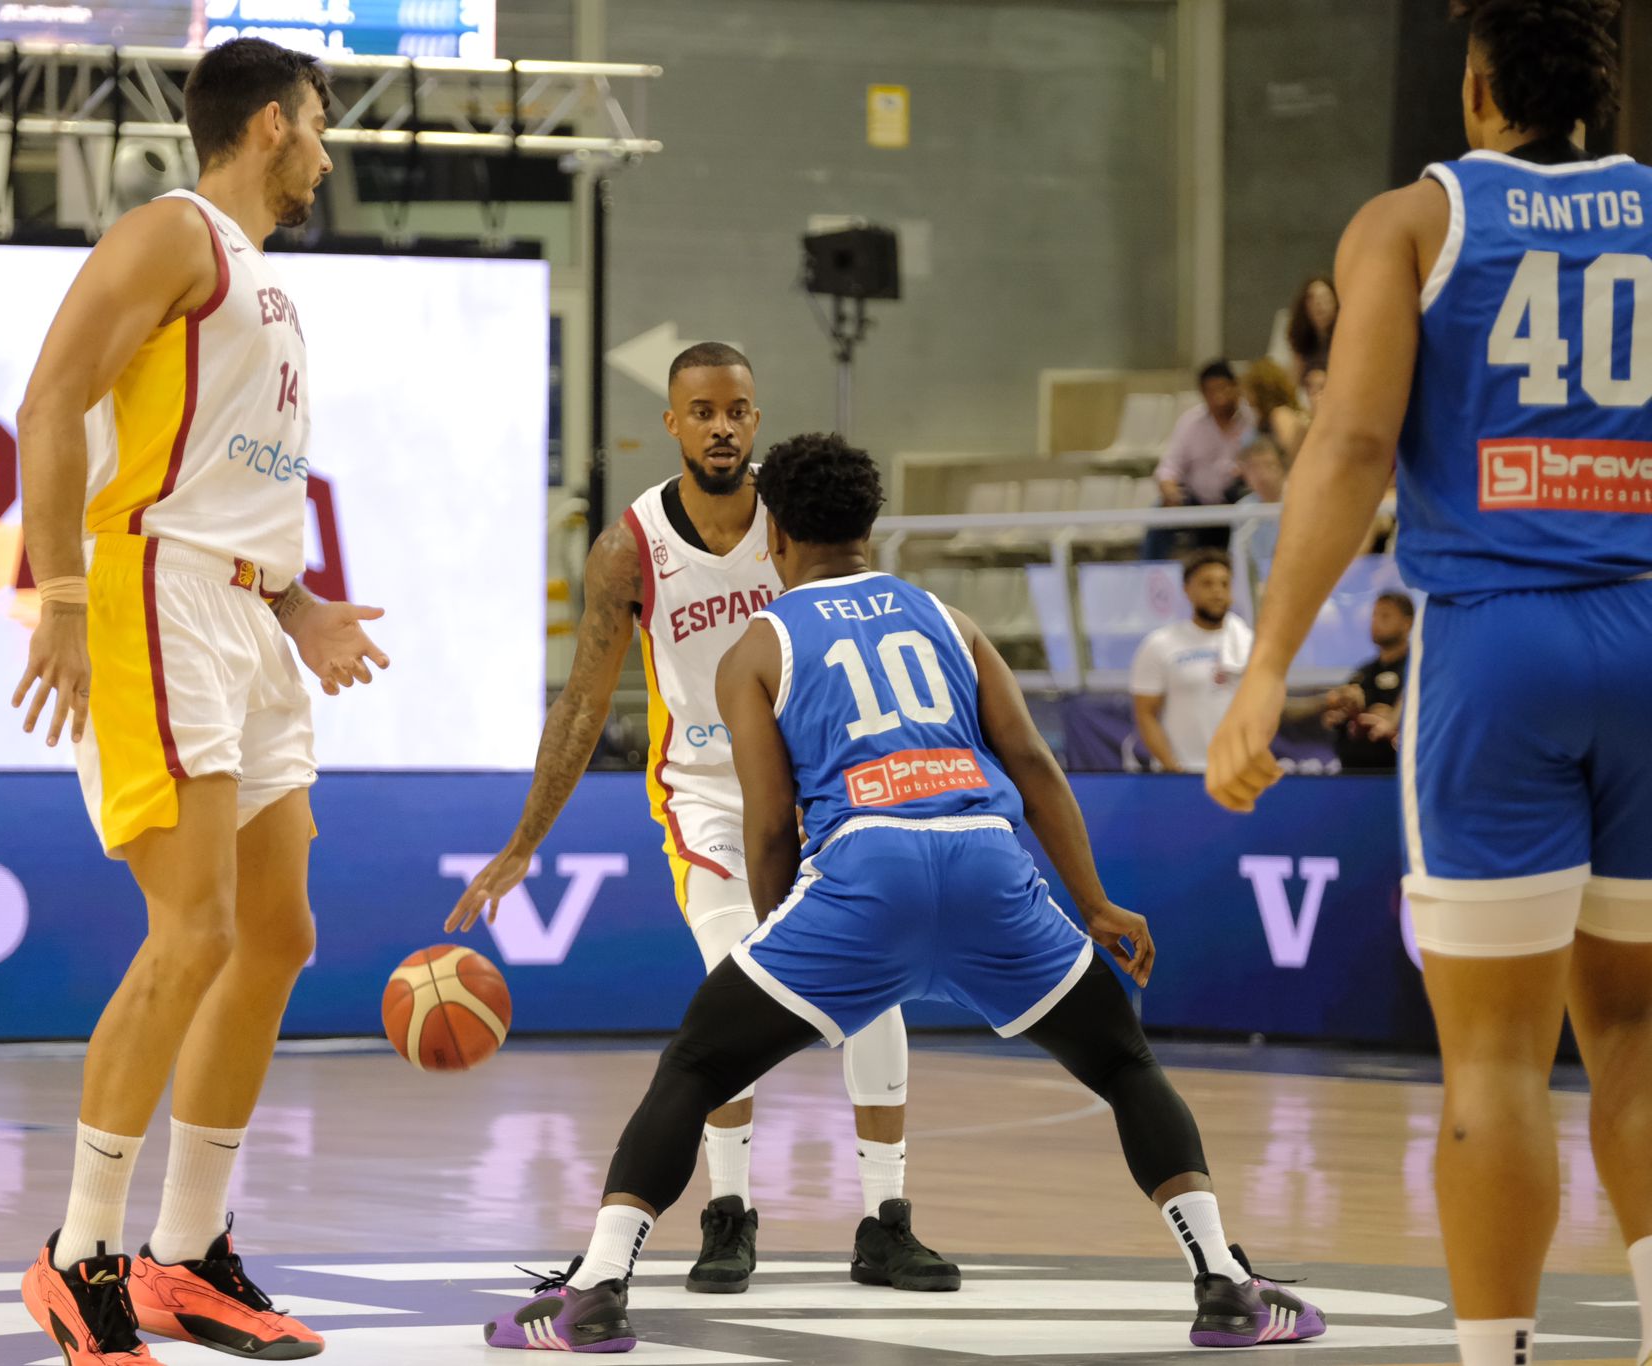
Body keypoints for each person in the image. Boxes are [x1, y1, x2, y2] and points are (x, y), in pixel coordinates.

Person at [479, 434, 1325, 1353]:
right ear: (872, 528)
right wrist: (1094, 903)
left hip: (865, 877)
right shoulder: (949, 619)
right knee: (1124, 1065)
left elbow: (771, 824)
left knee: (696, 1065)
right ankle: (1225, 1283)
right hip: (988, 865)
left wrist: (782, 939)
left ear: (775, 533)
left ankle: (597, 1291)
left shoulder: (758, 645)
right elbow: (1034, 764)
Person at [1206, 6, 1652, 1365]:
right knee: (1638, 1036)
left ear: (1473, 90)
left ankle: (1496, 1352)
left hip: (1495, 644)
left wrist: (1266, 665)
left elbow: (1349, 446)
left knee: (1497, 1063)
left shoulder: (1411, 221)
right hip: (1646, 625)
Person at [11, 38, 388, 1365]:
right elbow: (49, 399)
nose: (328, 156)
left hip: (244, 610)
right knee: (194, 928)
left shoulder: (264, 283)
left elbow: (229, 486)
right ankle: (79, 1255)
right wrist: (61, 594)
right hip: (152, 596)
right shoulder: (174, 234)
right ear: (273, 123)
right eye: (321, 127)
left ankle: (184, 1252)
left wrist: (298, 601)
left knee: (274, 933)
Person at [447, 344, 957, 1295]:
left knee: (875, 986)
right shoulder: (628, 549)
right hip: (708, 794)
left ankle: (886, 1221)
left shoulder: (796, 524)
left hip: (817, 786)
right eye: (703, 411)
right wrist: (524, 842)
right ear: (673, 423)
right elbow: (582, 702)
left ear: (756, 418)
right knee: (734, 983)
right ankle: (728, 1213)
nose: (722, 426)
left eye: (738, 410)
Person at [1130, 551, 1251, 774]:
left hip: (1239, 773)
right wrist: (1173, 768)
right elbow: (1145, 714)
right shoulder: (1160, 644)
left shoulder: (1249, 643)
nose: (1217, 591)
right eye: (1207, 583)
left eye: (1224, 584)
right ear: (1187, 589)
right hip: (1184, 775)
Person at [1144, 360, 1255, 560]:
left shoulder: (1251, 420)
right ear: (1203, 393)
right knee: (1159, 513)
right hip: (1197, 500)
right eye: (1211, 391)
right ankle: (1150, 572)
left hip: (1236, 499)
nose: (1219, 397)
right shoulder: (1190, 422)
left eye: (1223, 388)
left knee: (1252, 508)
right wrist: (1169, 489)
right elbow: (1169, 466)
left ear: (1235, 387)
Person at [1323, 592, 1411, 773]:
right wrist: (1341, 714)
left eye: (1385, 615)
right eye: (1374, 615)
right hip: (1353, 773)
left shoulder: (1418, 671)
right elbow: (1339, 715)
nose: (1376, 622)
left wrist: (1393, 720)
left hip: (1397, 773)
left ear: (1407, 623)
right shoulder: (1363, 673)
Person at [1236, 438, 1287, 579]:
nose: (1262, 474)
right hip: (1258, 580)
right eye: (1253, 468)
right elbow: (1238, 557)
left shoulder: (1299, 500)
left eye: (1269, 465)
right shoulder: (1243, 509)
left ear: (1283, 468)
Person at [1242, 359, 1309, 464]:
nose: (1247, 398)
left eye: (1249, 391)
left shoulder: (1280, 415)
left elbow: (1294, 455)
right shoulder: (1264, 419)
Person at [1286, 276, 1339, 382]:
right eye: (1312, 299)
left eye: (1324, 298)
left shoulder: (1344, 339)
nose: (1318, 304)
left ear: (1335, 303)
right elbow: (1293, 380)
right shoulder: (1301, 339)